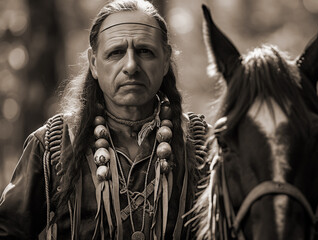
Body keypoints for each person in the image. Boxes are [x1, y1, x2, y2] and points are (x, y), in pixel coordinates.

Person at [0, 0, 208, 239]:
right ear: (94, 63)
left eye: (145, 51)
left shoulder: (202, 144)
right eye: (115, 53)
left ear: (165, 61)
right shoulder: (52, 147)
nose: (131, 65)